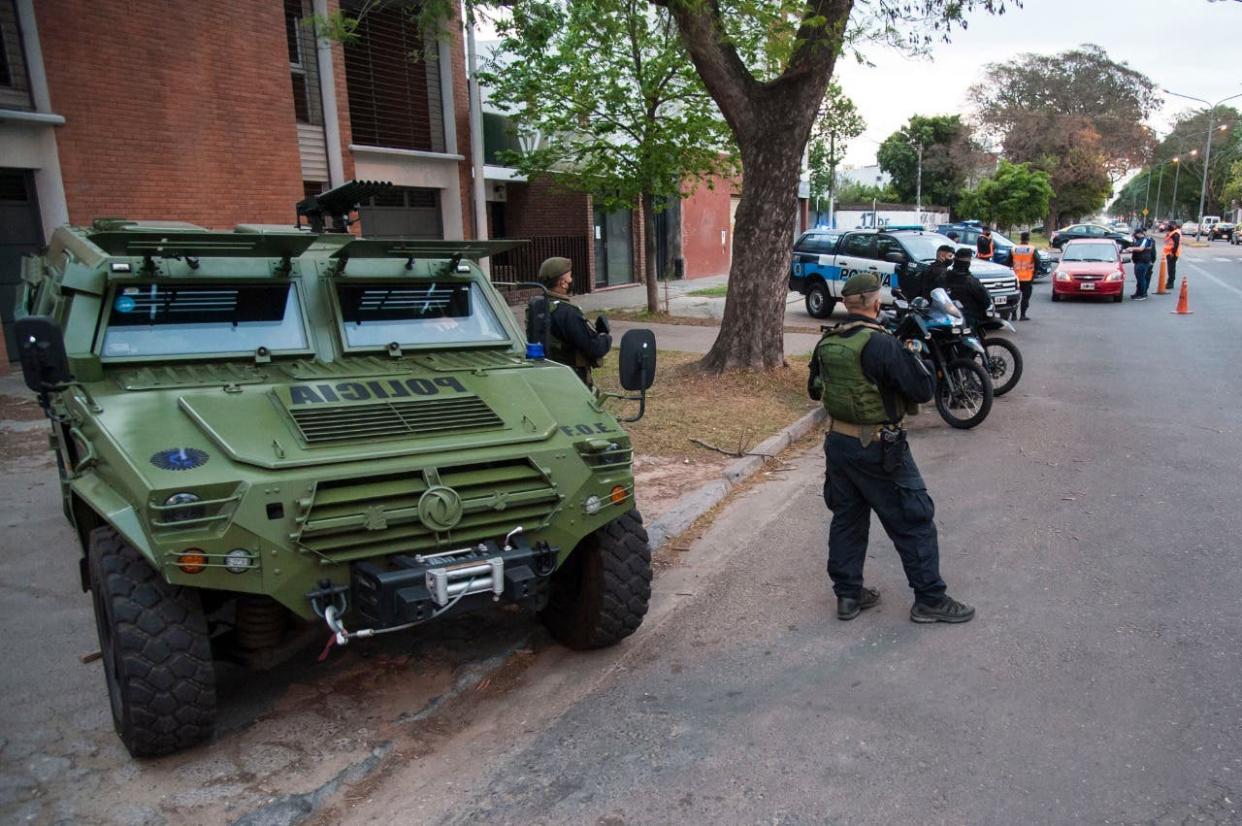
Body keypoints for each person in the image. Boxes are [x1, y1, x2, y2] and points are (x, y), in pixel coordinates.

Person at [808, 272, 975, 624]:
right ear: (875, 303)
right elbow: (922, 390)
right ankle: (930, 598)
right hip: (880, 447)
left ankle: (848, 596)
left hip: (838, 443)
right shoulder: (882, 343)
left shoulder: (827, 342)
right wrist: (921, 360)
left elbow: (814, 389)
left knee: (848, 519)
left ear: (846, 304)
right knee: (914, 519)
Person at [540, 256, 612, 386]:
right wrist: (605, 338)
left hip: (547, 376)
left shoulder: (538, 307)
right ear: (563, 283)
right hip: (571, 380)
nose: (572, 280)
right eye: (570, 276)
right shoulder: (567, 313)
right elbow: (592, 348)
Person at [944, 248, 993, 328]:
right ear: (968, 262)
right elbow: (986, 300)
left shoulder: (945, 276)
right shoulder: (971, 282)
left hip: (948, 319)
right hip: (968, 321)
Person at [1010, 231, 1038, 320]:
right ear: (1028, 239)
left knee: (1015, 297)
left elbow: (1007, 262)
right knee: (1025, 298)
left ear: (1020, 239)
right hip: (1027, 277)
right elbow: (1038, 262)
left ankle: (1014, 315)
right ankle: (1022, 315)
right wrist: (1034, 273)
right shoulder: (1032, 249)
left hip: (1016, 277)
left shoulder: (1014, 249)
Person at [1128, 228, 1156, 301]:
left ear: (1140, 233)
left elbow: (1141, 249)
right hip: (1138, 261)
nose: (1135, 235)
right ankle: (1138, 293)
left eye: (1136, 233)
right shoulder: (1138, 240)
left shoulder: (1145, 240)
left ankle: (1143, 294)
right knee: (1139, 278)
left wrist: (1132, 248)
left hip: (1143, 261)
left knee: (1141, 278)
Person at [1163, 221, 1182, 290]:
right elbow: (1167, 241)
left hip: (1172, 253)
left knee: (1171, 269)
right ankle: (1170, 283)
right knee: (1170, 268)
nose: (1168, 226)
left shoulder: (1176, 233)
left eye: (1170, 225)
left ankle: (1170, 284)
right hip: (1170, 253)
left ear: (1174, 225)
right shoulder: (1172, 233)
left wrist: (1172, 253)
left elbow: (1176, 245)